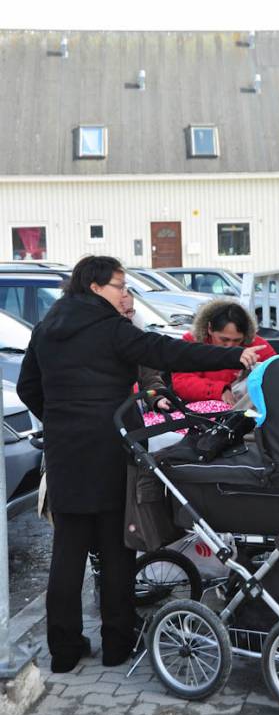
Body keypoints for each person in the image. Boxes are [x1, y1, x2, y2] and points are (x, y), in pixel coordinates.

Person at [17, 256, 264, 674]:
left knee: (68, 552)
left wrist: (59, 417)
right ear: (95, 287)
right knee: (117, 548)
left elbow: (27, 387)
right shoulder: (112, 330)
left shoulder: (47, 329)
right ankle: (117, 642)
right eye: (119, 285)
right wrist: (235, 355)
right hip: (112, 447)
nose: (125, 292)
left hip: (65, 453)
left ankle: (63, 650)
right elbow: (167, 351)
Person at [172, 299, 276, 405]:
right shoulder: (192, 343)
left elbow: (277, 374)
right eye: (224, 339)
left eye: (237, 340)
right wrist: (220, 390)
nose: (230, 345)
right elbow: (182, 382)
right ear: (209, 329)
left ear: (245, 335)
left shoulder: (257, 346)